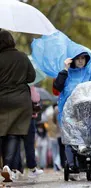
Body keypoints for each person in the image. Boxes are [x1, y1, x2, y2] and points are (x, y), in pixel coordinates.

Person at [53, 45, 91, 179]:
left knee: (84, 135)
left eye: (83, 58)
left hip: (86, 112)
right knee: (69, 139)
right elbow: (57, 87)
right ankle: (72, 165)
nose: (81, 61)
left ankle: (86, 161)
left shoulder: (89, 74)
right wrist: (65, 69)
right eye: (78, 58)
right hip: (68, 112)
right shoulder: (65, 74)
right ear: (72, 60)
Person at [0, 30, 36, 182]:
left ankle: (4, 164)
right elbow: (31, 77)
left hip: (1, 99)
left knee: (2, 132)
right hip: (21, 100)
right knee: (14, 133)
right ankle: (8, 166)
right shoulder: (22, 57)